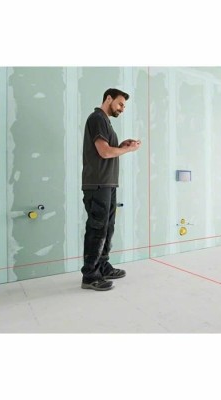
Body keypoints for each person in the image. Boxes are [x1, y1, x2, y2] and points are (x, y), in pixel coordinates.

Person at [81, 88, 141, 291]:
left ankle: (103, 266)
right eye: (120, 104)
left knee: (107, 228)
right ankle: (90, 275)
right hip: (97, 183)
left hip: (108, 183)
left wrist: (122, 145)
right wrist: (128, 149)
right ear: (108, 98)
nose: (122, 108)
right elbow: (105, 152)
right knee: (97, 229)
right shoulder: (97, 118)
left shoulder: (105, 122)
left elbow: (108, 149)